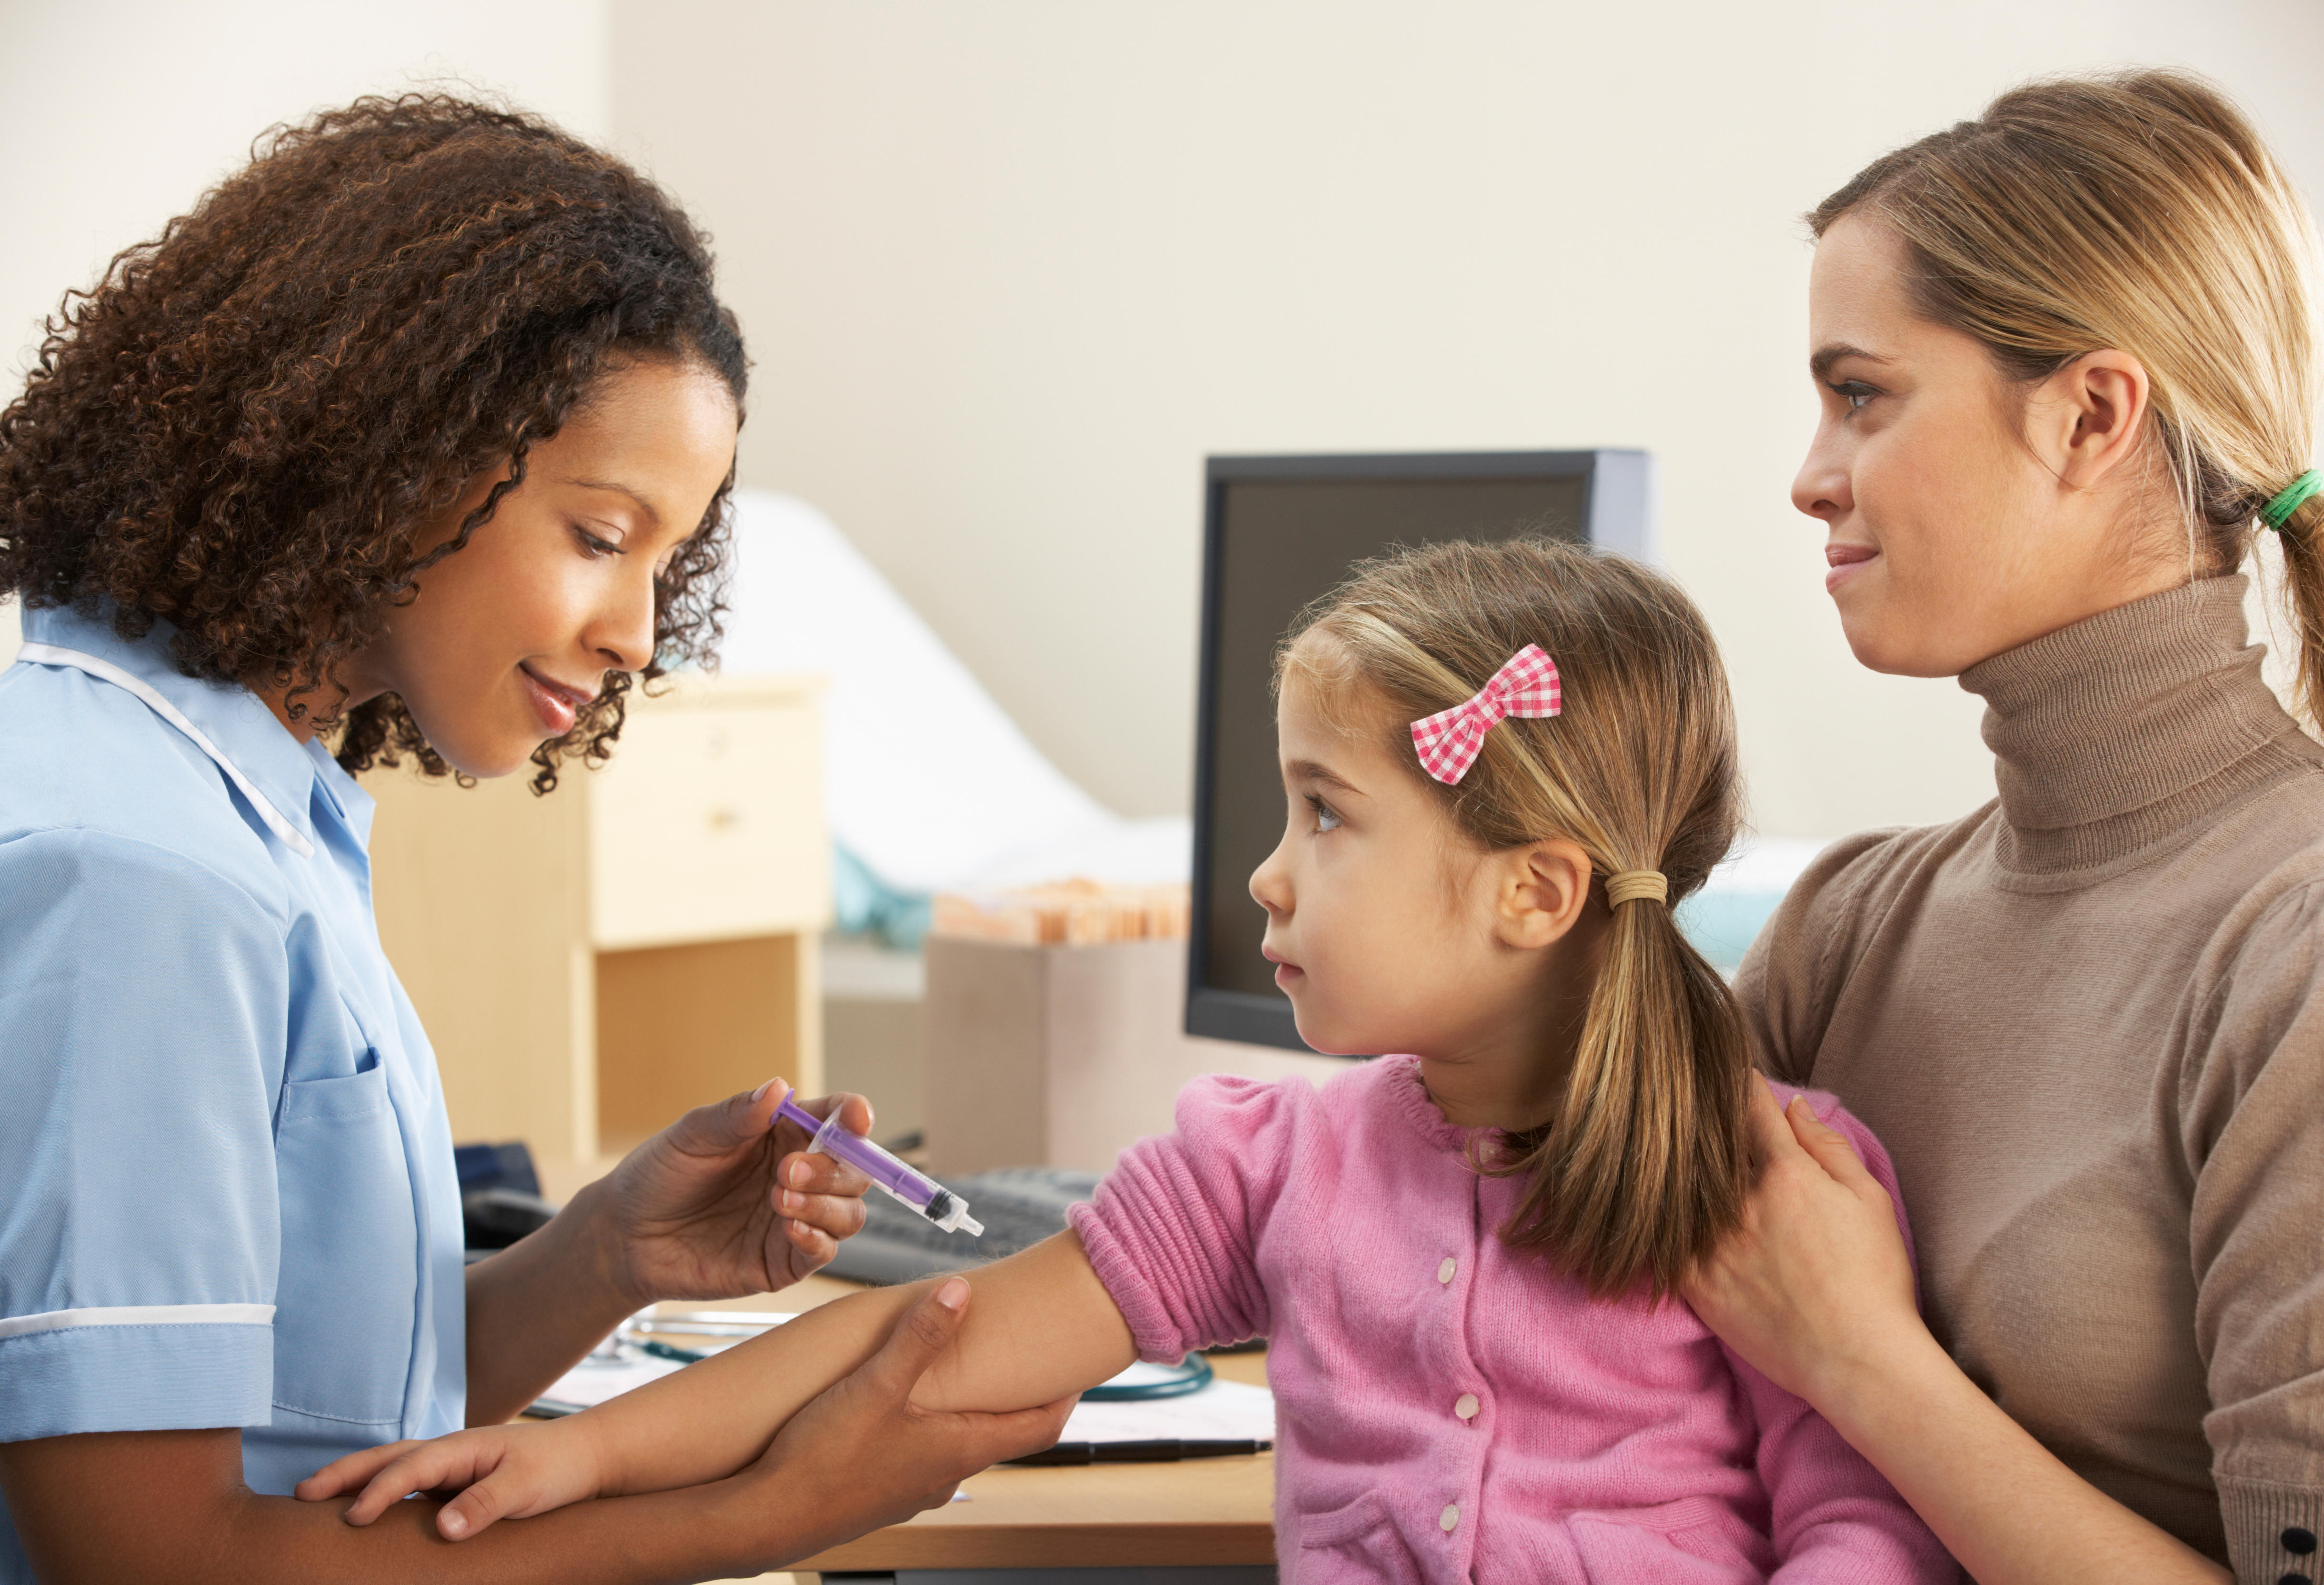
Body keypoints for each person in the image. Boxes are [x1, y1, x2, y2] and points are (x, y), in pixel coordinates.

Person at [301, 539, 1958, 1583]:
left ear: (1534, 890)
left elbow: (1864, 1527)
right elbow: (932, 1333)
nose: (1266, 875)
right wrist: (575, 1449)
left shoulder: (1772, 1189)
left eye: (1326, 814)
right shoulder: (1276, 1163)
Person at [0, 96, 1070, 1584]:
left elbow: (323, 1434)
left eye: (667, 560)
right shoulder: (139, 876)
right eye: (598, 535)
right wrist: (759, 1517)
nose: (638, 634)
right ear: (387, 449)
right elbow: (155, 1558)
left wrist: (604, 1255)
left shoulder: (246, 813)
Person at [1679, 70, 2324, 1585]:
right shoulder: (1853, 927)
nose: (1810, 477)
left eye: (1860, 394)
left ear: (2091, 415)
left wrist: (1866, 1364)